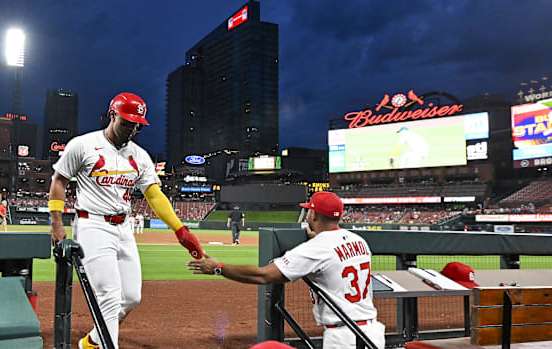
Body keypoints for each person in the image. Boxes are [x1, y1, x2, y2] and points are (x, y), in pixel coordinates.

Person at [48, 92, 204, 349]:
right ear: (112, 115)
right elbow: (59, 180)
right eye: (127, 122)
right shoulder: (83, 145)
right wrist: (56, 222)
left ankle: (92, 342)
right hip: (93, 225)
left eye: (137, 125)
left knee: (131, 297)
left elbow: (154, 194)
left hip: (124, 227)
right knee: (109, 296)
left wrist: (181, 230)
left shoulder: (140, 156)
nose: (132, 128)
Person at [188, 191, 385, 349]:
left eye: (308, 210)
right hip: (373, 332)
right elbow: (332, 252)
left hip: (344, 337)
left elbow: (264, 275)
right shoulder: (359, 241)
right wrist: (317, 238)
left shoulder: (316, 248)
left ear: (314, 214)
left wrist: (218, 268)